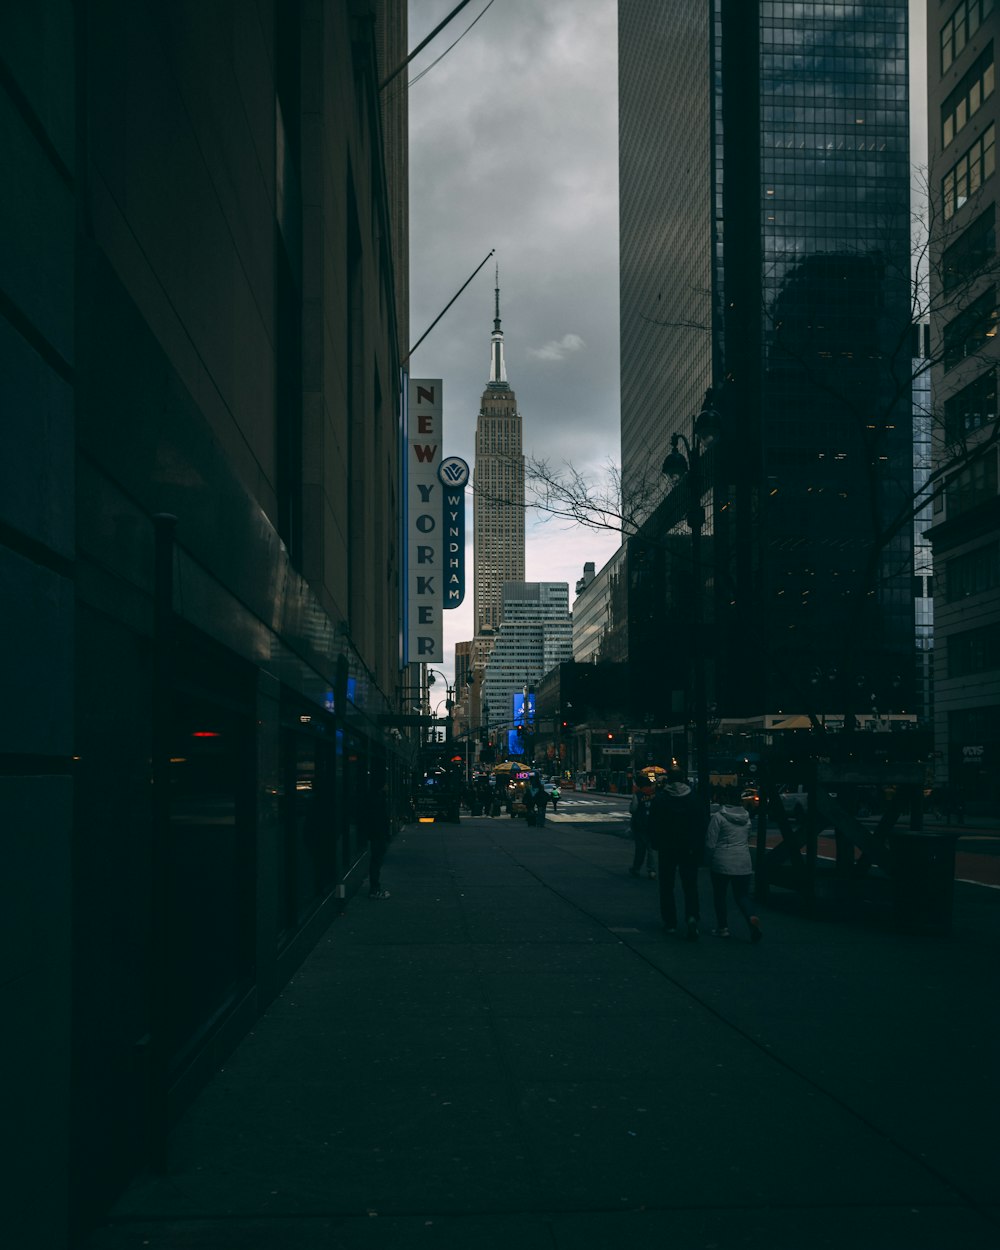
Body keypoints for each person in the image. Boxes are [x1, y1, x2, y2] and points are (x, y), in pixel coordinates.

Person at [647, 768, 704, 939]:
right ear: (684, 780)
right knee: (690, 885)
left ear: (668, 781)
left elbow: (653, 823)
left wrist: (656, 843)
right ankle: (692, 916)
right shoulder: (694, 798)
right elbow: (701, 823)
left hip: (667, 847)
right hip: (689, 848)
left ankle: (670, 922)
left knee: (667, 886)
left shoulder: (661, 798)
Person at [705, 786, 762, 943]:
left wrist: (707, 859)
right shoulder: (746, 818)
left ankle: (722, 928)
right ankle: (751, 917)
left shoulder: (718, 817)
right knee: (742, 895)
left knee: (720, 895)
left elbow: (710, 843)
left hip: (722, 860)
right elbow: (747, 837)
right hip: (743, 861)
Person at [364, 776, 391, 899]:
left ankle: (375, 888)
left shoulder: (373, 798)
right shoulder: (378, 800)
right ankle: (374, 890)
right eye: (386, 784)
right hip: (378, 835)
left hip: (376, 834)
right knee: (376, 861)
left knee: (376, 861)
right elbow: (380, 819)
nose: (387, 786)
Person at [628, 787, 656, 878]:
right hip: (653, 824)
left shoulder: (638, 795)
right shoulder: (655, 794)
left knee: (640, 848)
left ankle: (636, 868)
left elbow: (633, 809)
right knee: (651, 849)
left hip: (641, 824)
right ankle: (652, 870)